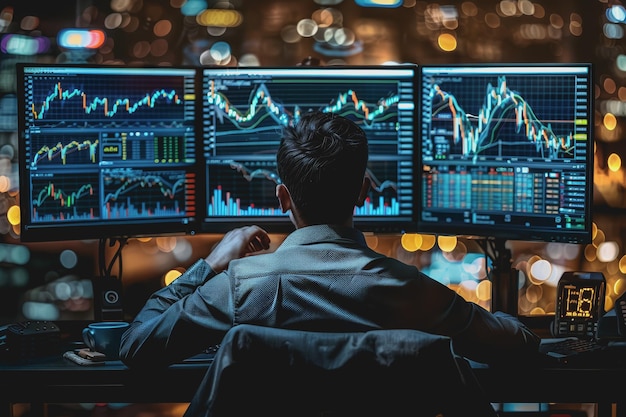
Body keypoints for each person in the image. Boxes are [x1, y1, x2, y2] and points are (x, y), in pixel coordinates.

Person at [119, 110, 540, 370]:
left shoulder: (238, 288)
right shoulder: (409, 290)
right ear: (363, 192)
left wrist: (210, 265)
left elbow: (136, 345)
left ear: (283, 197)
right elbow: (514, 345)